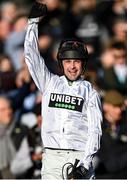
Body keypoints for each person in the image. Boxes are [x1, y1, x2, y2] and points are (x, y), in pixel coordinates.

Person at [24, 1, 102, 179]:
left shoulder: (90, 92)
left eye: (76, 62)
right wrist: (33, 23)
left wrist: (85, 164)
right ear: (61, 63)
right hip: (52, 159)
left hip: (80, 158)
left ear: (83, 64)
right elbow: (31, 56)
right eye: (68, 62)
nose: (72, 67)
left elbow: (95, 131)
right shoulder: (49, 83)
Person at [95, 90, 127, 179]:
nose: (119, 110)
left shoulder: (124, 124)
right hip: (103, 175)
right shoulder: (96, 126)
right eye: (115, 106)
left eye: (121, 106)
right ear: (105, 106)